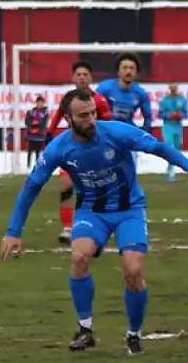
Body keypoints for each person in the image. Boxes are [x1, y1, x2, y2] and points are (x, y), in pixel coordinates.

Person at [0, 89, 188, 356]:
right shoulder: (59, 148)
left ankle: (133, 334)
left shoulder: (116, 132)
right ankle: (85, 329)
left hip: (129, 210)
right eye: (83, 116)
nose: (90, 120)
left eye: (92, 114)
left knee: (133, 271)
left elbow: (158, 147)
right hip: (91, 212)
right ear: (68, 118)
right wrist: (13, 231)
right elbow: (32, 186)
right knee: (79, 257)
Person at [46, 61, 113, 245]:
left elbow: (108, 125)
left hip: (94, 151)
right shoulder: (68, 100)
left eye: (85, 74)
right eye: (79, 74)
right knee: (66, 186)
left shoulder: (99, 100)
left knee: (97, 188)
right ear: (73, 78)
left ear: (91, 78)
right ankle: (67, 228)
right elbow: (56, 117)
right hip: (71, 150)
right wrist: (49, 133)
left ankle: (104, 222)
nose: (82, 77)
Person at [96, 52, 152, 166]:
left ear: (136, 72)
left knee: (129, 175)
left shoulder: (140, 93)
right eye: (125, 67)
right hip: (107, 135)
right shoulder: (105, 88)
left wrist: (144, 134)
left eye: (132, 68)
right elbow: (93, 109)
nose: (128, 71)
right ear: (118, 71)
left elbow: (148, 116)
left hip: (128, 136)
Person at [157, 83, 188, 182]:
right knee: (170, 147)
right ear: (169, 88)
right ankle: (171, 173)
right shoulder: (165, 100)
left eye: (175, 87)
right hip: (168, 126)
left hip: (178, 127)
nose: (173, 89)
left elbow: (186, 113)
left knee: (177, 149)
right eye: (171, 87)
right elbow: (160, 114)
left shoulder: (182, 99)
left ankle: (170, 168)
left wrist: (179, 115)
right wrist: (169, 115)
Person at [24, 96, 49, 168]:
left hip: (40, 135)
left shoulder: (45, 112)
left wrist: (35, 124)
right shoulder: (31, 111)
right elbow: (27, 122)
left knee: (38, 151)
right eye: (38, 102)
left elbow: (43, 123)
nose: (40, 104)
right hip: (31, 134)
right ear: (36, 103)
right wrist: (34, 124)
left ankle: (37, 166)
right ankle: (28, 166)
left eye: (41, 102)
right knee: (30, 150)